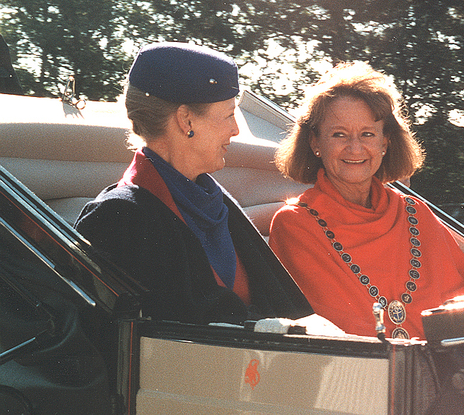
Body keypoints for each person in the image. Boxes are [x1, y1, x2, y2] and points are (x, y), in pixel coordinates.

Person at [75, 42, 315, 326]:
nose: (236, 129)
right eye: (228, 114)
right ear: (186, 119)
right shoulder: (119, 218)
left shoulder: (216, 200)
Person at [269, 61, 464, 340]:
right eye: (339, 134)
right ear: (315, 143)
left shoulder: (415, 213)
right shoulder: (295, 223)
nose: (355, 147)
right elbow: (335, 328)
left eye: (368, 134)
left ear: (385, 143)